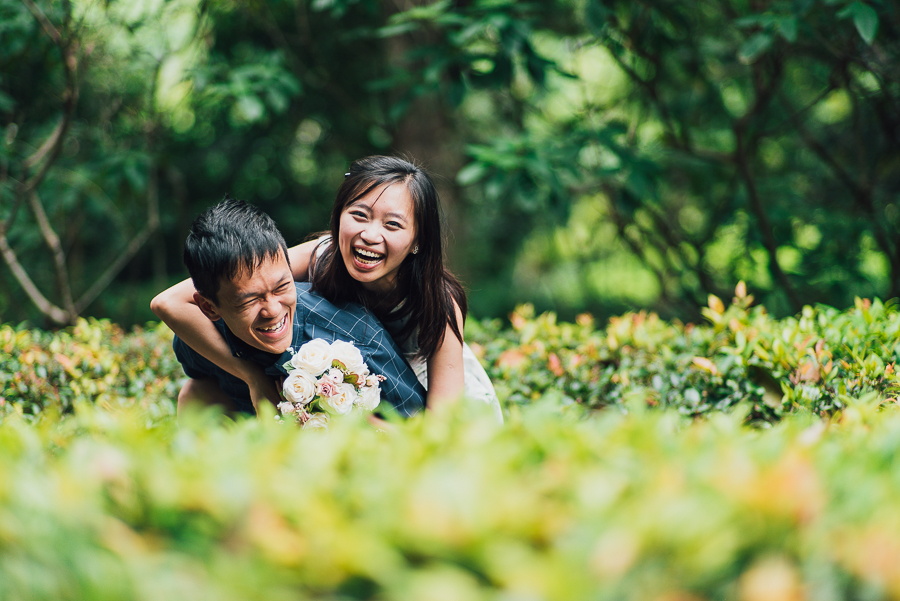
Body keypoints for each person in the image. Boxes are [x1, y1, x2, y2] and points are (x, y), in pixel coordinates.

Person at [153, 156, 502, 422]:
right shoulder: (321, 255)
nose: (370, 234)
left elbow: (442, 427)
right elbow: (171, 301)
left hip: (423, 399)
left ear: (416, 241)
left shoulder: (436, 300)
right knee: (197, 390)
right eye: (360, 215)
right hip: (345, 389)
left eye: (392, 224)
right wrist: (252, 376)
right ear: (338, 218)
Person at [152, 196, 426, 418]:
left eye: (282, 287)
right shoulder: (200, 340)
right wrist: (253, 378)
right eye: (249, 300)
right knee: (195, 393)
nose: (272, 310)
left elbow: (420, 429)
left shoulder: (359, 337)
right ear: (210, 309)